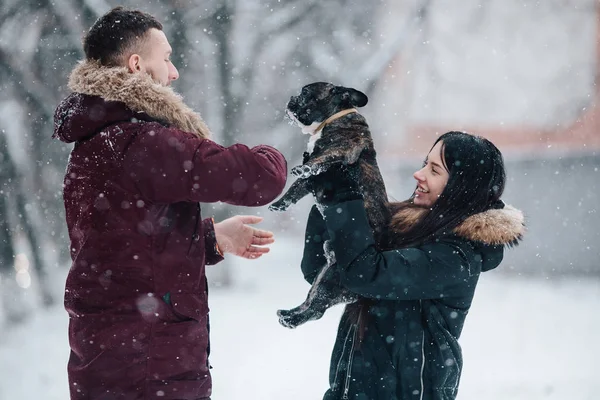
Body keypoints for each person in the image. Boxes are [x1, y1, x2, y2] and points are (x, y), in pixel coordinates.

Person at [53, 6, 287, 400]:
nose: (174, 71)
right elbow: (262, 178)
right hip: (149, 367)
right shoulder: (141, 142)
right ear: (137, 65)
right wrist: (274, 152)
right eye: (166, 58)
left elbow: (123, 246)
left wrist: (213, 239)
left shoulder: (94, 142)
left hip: (111, 358)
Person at [300, 131, 525, 400]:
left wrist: (345, 199)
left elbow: (365, 274)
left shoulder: (455, 257)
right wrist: (328, 196)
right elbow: (322, 271)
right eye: (424, 164)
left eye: (434, 170)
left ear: (460, 187)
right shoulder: (398, 229)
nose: (419, 175)